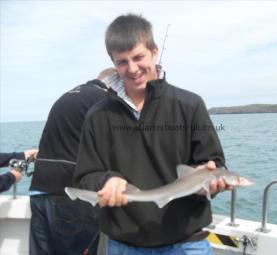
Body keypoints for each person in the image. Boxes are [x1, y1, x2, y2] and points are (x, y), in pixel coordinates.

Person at [74, 14, 229, 255]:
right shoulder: (98, 115)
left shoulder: (190, 105)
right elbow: (84, 175)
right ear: (113, 63)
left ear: (154, 51)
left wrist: (210, 185)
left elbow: (215, 164)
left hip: (187, 242)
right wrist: (106, 180)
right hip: (124, 245)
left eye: (138, 57)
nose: (132, 69)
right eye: (122, 62)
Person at [28, 69, 115, 255]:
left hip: (39, 191)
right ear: (114, 84)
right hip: (70, 195)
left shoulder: (66, 96)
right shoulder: (103, 100)